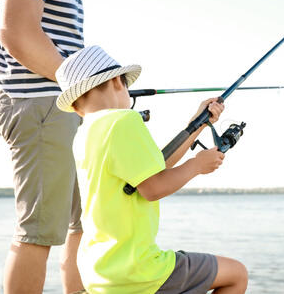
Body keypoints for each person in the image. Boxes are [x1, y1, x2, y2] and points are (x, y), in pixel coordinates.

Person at [55, 45, 248, 294]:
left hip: (98, 271)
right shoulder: (124, 120)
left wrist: (197, 124)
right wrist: (196, 165)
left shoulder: (84, 134)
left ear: (75, 107)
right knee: (236, 274)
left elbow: (156, 166)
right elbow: (153, 188)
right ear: (117, 81)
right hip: (136, 270)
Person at [0, 0, 84, 293]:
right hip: (43, 105)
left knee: (84, 225)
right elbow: (16, 31)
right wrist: (83, 84)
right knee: (37, 233)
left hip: (62, 106)